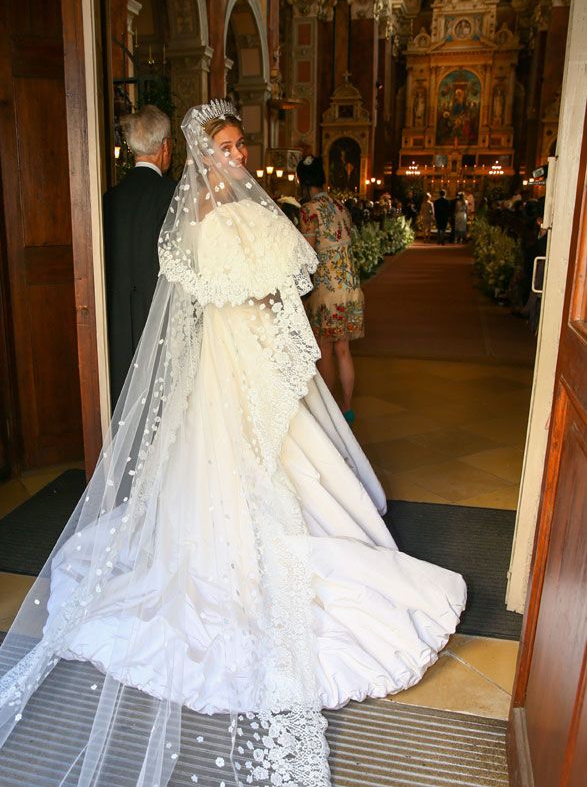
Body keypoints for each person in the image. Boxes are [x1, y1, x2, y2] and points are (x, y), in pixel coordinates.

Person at [0, 100, 466, 787]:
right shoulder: (200, 215)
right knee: (226, 458)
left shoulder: (225, 212)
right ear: (203, 152)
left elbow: (266, 292)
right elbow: (222, 296)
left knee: (281, 457)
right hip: (223, 357)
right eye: (229, 144)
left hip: (248, 353)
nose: (241, 153)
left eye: (241, 143)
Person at [103, 105, 176, 405]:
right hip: (159, 312)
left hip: (117, 313)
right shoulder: (173, 194)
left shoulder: (109, 199)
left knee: (124, 400)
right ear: (165, 147)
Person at [297, 156, 364, 424]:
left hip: (325, 291)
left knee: (324, 349)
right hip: (349, 287)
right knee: (343, 350)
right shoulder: (341, 206)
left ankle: (329, 411)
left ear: (303, 181)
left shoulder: (309, 210)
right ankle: (347, 406)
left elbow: (309, 254)